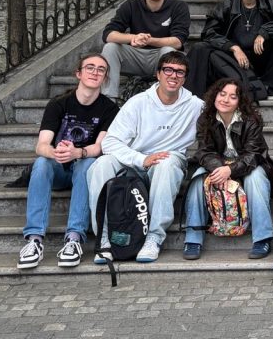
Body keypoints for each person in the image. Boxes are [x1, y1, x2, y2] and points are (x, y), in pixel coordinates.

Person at [87, 51, 203, 263]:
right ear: (158, 74)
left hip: (168, 162)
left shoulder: (195, 106)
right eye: (168, 70)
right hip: (135, 162)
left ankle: (154, 237)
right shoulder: (138, 103)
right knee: (101, 164)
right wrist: (141, 159)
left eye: (180, 72)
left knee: (166, 162)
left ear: (185, 78)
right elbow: (110, 142)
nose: (173, 75)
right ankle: (104, 238)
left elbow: (223, 115)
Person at [17, 54, 119, 270]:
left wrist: (77, 153)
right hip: (59, 167)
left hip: (83, 169)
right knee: (41, 162)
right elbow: (41, 145)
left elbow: (100, 147)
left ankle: (74, 238)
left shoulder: (110, 109)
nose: (95, 72)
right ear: (78, 74)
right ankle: (34, 240)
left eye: (101, 69)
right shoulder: (58, 104)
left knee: (87, 163)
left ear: (105, 78)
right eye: (90, 67)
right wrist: (58, 153)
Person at [182, 78, 273, 260]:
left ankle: (262, 238)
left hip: (250, 164)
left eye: (233, 97)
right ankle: (193, 238)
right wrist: (220, 169)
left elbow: (254, 154)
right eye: (222, 94)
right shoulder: (205, 119)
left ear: (239, 101)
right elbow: (204, 152)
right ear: (215, 96)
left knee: (255, 178)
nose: (225, 100)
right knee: (197, 179)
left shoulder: (251, 120)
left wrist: (230, 170)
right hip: (218, 165)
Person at [100, 0, 190, 98]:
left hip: (161, 57)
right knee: (110, 48)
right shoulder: (131, 5)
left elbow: (178, 41)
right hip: (134, 56)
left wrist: (149, 40)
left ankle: (166, 99)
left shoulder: (178, 7)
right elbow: (108, 34)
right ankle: (108, 99)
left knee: (169, 51)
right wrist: (133, 38)